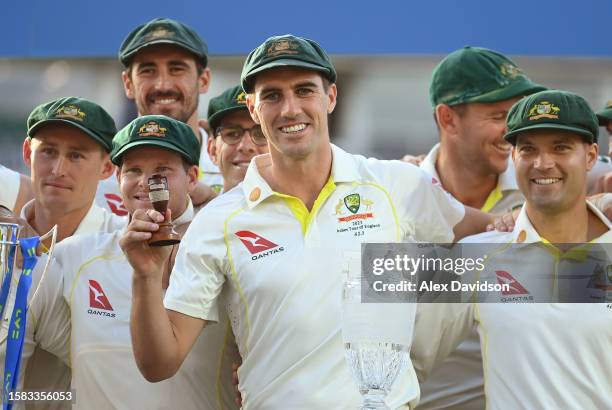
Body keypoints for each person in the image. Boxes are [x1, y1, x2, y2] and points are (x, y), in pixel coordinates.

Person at [120, 34, 503, 409]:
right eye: (272, 95)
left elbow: (494, 233)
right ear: (253, 108)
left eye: (304, 90)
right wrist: (145, 277)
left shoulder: (396, 185)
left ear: (330, 97)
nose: (289, 109)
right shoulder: (220, 221)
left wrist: (526, 225)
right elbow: (160, 364)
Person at [412, 89, 612, 409]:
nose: (543, 163)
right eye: (528, 149)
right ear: (514, 157)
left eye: (560, 148)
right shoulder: (475, 256)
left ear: (590, 156)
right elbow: (406, 361)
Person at [27, 115, 240, 409]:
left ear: (192, 177)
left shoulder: (223, 253)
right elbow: (20, 356)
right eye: (134, 170)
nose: (145, 182)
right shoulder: (73, 255)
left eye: (162, 169)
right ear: (118, 179)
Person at [416, 46, 546, 410]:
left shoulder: (547, 186)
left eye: (518, 115)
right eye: (499, 115)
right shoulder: (393, 197)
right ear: (448, 119)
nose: (513, 130)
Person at [0, 96, 125, 409]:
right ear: (28, 152)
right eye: (49, 151)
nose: (58, 169)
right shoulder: (4, 236)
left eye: (77, 156)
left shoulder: (124, 247)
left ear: (107, 167)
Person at [118, 17, 223, 193]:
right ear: (128, 84)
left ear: (203, 80)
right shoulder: (99, 177)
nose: (163, 85)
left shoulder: (237, 167)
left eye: (176, 69)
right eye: (148, 71)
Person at [207, 85, 270, 192]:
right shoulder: (205, 209)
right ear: (212, 150)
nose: (246, 147)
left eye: (261, 134)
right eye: (232, 134)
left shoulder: (302, 207)